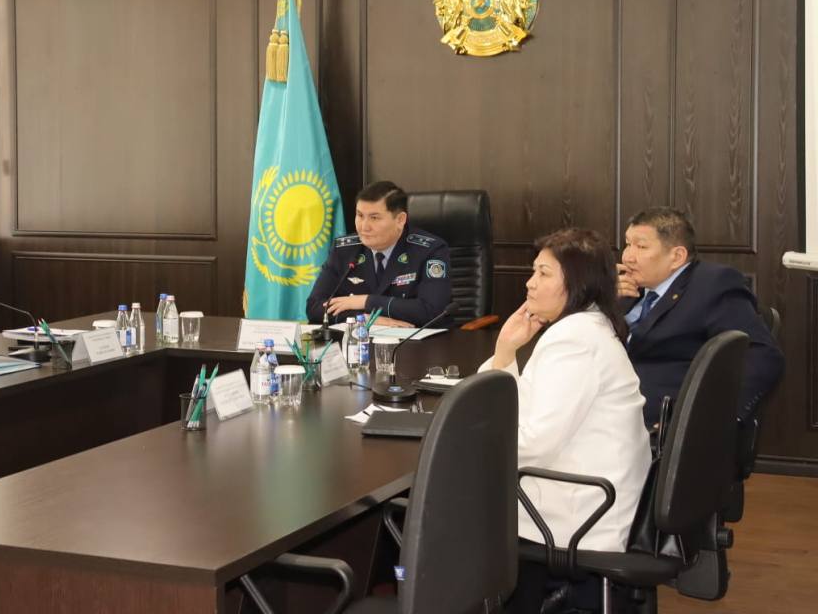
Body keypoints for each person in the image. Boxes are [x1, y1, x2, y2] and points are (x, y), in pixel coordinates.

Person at [483, 229, 651, 613]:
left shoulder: (573, 340)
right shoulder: (588, 326)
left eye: (543, 273)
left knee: (448, 508)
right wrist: (506, 351)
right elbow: (526, 409)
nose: (529, 283)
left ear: (577, 284)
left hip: (578, 512)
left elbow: (532, 442)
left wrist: (467, 444)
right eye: (533, 271)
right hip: (590, 495)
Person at [619, 207, 783, 427]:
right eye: (627, 244)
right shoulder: (624, 289)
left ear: (677, 256)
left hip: (657, 424)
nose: (627, 257)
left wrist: (703, 421)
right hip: (606, 408)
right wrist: (602, 301)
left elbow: (763, 355)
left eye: (641, 247)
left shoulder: (713, 285)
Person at [305, 181, 451, 327]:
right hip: (360, 337)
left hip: (417, 339)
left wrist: (366, 301)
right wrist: (363, 319)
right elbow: (314, 307)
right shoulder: (344, 250)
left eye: (374, 218)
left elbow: (433, 311)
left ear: (400, 220)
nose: (364, 227)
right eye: (360, 215)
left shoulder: (430, 250)